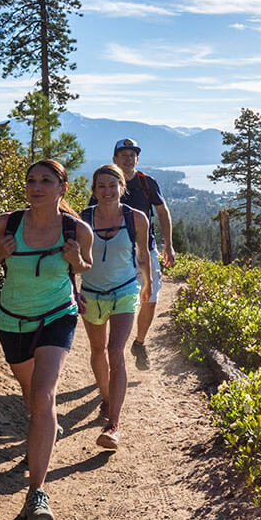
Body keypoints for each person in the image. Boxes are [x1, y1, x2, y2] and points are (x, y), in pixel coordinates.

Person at [0, 159, 92, 520]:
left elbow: (85, 265)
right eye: (31, 180)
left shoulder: (76, 229)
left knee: (44, 396)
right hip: (12, 320)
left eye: (46, 180)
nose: (36, 187)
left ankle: (36, 493)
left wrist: (76, 260)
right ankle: (42, 429)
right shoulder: (6, 223)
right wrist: (2, 253)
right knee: (31, 396)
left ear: (62, 188)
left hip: (57, 315)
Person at [77, 164, 152, 449]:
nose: (107, 191)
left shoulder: (137, 218)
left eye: (112, 185)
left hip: (124, 291)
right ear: (94, 191)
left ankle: (113, 424)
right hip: (92, 294)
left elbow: (143, 255)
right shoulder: (82, 220)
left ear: (123, 187)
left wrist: (147, 285)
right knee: (97, 351)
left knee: (114, 349)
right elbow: (71, 259)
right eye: (101, 187)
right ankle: (107, 399)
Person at [111, 138, 175, 370]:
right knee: (116, 301)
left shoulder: (146, 183)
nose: (129, 158)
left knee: (150, 299)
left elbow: (162, 211)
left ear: (136, 159)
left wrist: (168, 245)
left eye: (132, 155)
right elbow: (91, 215)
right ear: (115, 159)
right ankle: (115, 347)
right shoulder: (107, 182)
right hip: (115, 252)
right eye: (124, 154)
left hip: (145, 249)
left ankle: (139, 343)